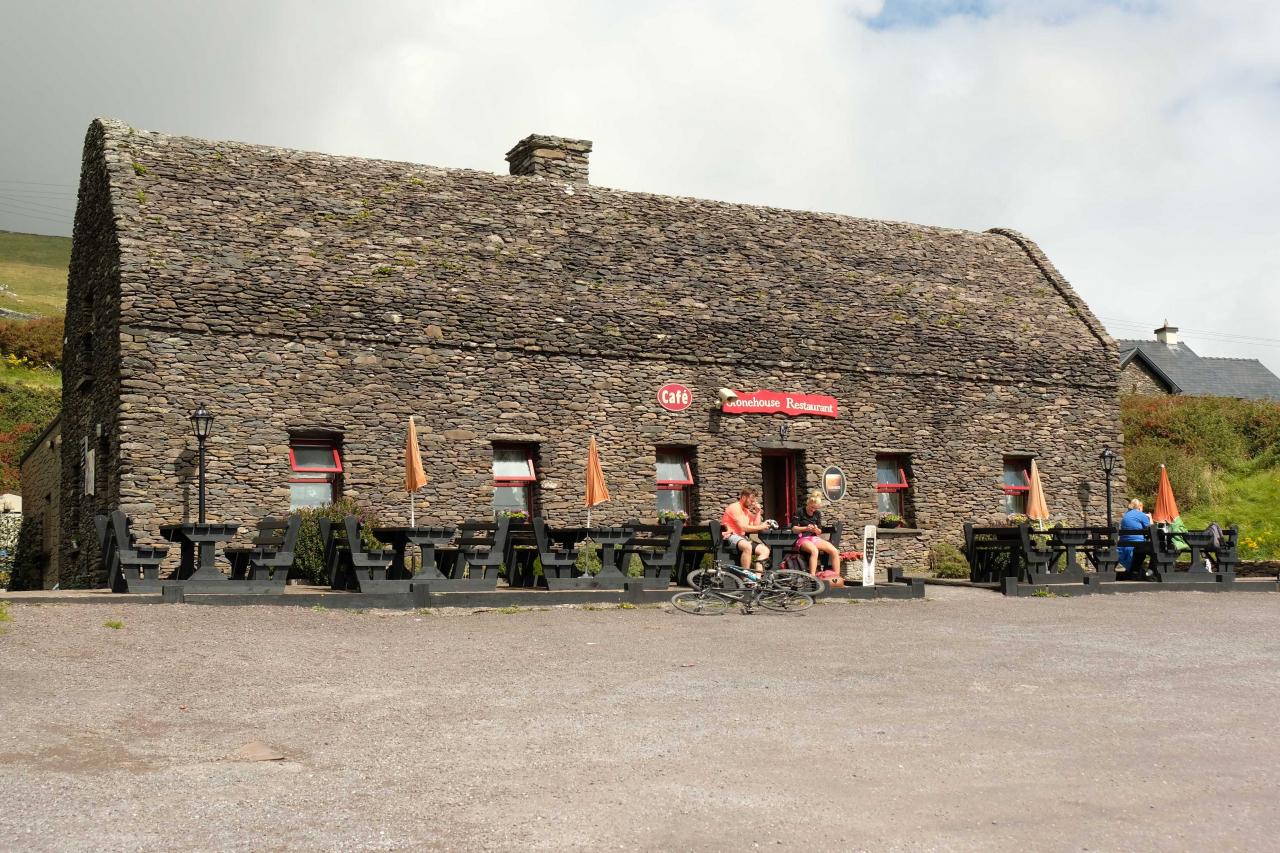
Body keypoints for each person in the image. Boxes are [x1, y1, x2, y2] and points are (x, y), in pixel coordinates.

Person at [792, 489, 842, 578]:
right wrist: (806, 528)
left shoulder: (817, 513)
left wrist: (816, 529)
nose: (813, 510)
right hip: (802, 538)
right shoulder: (799, 511)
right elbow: (794, 529)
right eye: (812, 507)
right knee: (814, 551)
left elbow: (819, 531)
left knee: (834, 551)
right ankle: (812, 577)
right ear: (808, 503)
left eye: (815, 508)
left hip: (814, 538)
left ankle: (836, 577)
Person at [720, 486, 772, 573]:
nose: (752, 503)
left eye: (753, 501)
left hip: (741, 538)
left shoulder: (747, 512)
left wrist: (758, 512)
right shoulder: (734, 507)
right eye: (751, 500)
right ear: (744, 497)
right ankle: (746, 576)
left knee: (765, 550)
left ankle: (757, 578)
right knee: (747, 546)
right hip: (730, 536)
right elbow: (743, 527)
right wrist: (762, 527)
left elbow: (755, 526)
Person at [1117, 498, 1152, 575]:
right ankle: (1149, 571)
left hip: (1123, 543)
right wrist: (1150, 518)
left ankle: (1134, 571)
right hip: (1137, 543)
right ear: (1139, 507)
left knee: (1142, 550)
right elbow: (1151, 529)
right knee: (1153, 550)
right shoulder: (1141, 515)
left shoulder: (1126, 514)